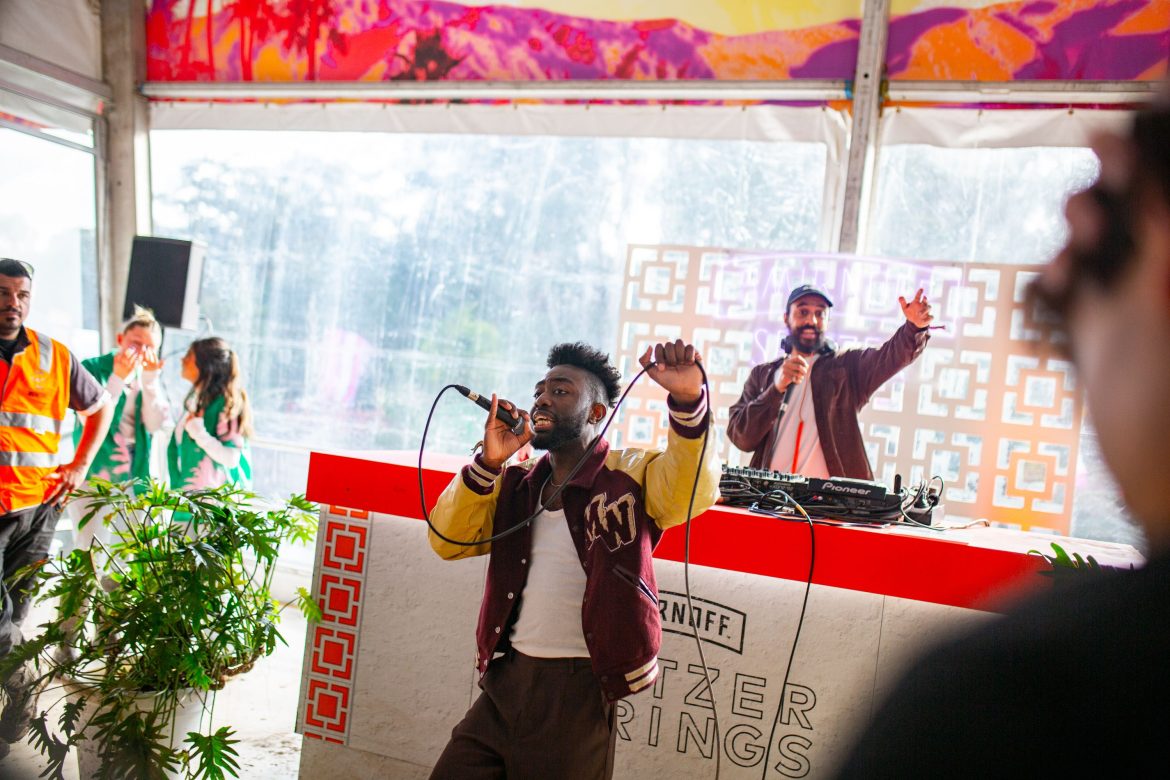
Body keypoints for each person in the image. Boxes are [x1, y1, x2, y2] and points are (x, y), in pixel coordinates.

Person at [832, 98, 1170, 777]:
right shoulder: (765, 378)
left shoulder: (1014, 699)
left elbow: (889, 358)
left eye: (1077, 320)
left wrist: (913, 330)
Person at [427, 340, 720, 779]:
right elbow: (448, 540)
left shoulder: (629, 474)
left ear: (596, 413)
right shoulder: (516, 482)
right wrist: (488, 464)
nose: (542, 399)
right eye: (540, 391)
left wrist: (688, 401)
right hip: (506, 680)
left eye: (560, 391)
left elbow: (689, 489)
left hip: (579, 687)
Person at [0, 257, 113, 757]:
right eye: (4, 293)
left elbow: (99, 407)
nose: (13, 303)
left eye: (22, 295)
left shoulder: (53, 355)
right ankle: (23, 681)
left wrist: (80, 466)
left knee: (16, 614)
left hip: (38, 509)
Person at [727, 284, 933, 479]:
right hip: (770, 499)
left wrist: (914, 328)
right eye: (803, 312)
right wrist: (776, 389)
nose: (812, 320)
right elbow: (741, 437)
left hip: (827, 503)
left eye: (820, 313)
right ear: (786, 318)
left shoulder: (845, 368)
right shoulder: (762, 375)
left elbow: (890, 357)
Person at [70, 306, 173, 547]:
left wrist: (150, 382)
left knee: (134, 546)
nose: (142, 352)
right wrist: (117, 379)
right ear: (120, 339)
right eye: (136, 343)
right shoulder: (92, 368)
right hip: (96, 468)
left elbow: (155, 424)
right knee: (91, 546)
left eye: (150, 347)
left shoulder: (147, 376)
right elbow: (89, 418)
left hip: (137, 470)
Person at [168, 336, 252, 490]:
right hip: (191, 497)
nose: (182, 360)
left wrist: (199, 433)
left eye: (189, 356)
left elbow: (231, 458)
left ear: (205, 365)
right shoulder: (198, 400)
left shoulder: (226, 403)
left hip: (213, 500)